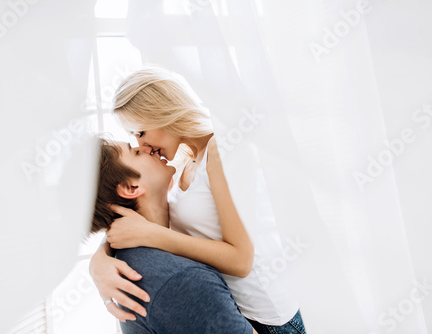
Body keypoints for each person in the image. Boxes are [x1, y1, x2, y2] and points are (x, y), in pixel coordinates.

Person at [90, 67, 306, 334]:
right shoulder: (180, 161)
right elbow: (134, 209)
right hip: (230, 309)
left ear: (160, 112)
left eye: (141, 132)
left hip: (270, 320)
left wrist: (152, 235)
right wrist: (98, 261)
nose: (142, 146)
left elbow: (241, 261)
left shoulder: (219, 150)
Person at [89, 138, 256, 334]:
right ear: (131, 188)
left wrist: (97, 258)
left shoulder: (128, 253)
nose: (146, 147)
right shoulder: (180, 280)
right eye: (134, 152)